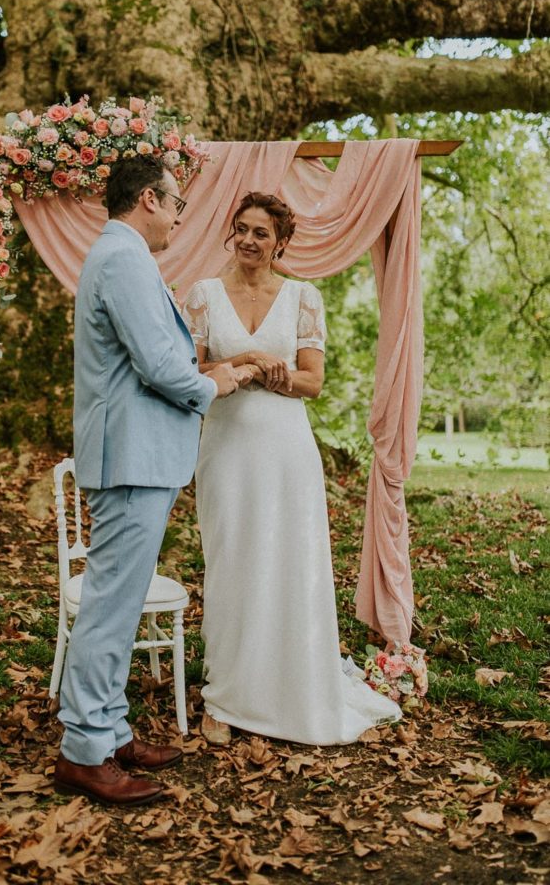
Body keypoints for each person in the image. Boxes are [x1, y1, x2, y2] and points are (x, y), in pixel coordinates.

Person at [54, 155, 241, 805]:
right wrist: (212, 383)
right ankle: (83, 751)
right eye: (177, 202)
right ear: (147, 200)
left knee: (120, 605)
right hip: (130, 460)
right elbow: (159, 362)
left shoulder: (118, 255)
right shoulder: (124, 258)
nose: (181, 215)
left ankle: (108, 730)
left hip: (137, 456)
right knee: (109, 610)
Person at [182, 192, 401, 746]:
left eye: (262, 233)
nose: (250, 241)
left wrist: (276, 376)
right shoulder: (204, 295)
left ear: (280, 243)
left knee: (289, 562)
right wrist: (249, 361)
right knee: (231, 562)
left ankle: (291, 683)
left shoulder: (303, 298)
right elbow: (191, 369)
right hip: (226, 448)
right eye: (242, 229)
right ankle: (225, 696)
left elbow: (313, 383)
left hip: (286, 450)